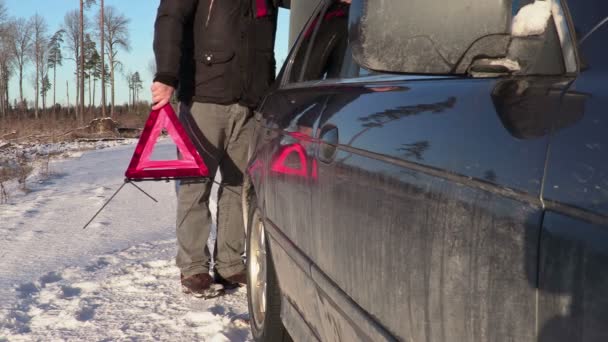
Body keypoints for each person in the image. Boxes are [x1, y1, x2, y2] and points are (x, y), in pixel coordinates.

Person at [151, 0, 288, 299]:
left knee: (239, 186)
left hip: (252, 100)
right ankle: (193, 268)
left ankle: (228, 263)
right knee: (194, 185)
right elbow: (170, 17)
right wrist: (166, 74)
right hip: (204, 95)